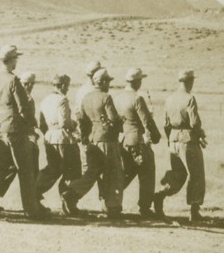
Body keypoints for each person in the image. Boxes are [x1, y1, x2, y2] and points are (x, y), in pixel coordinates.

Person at [0, 45, 47, 219]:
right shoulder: (13, 81)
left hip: (2, 129)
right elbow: (24, 109)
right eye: (15, 59)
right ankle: (31, 209)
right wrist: (32, 125)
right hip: (16, 130)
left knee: (2, 168)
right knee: (25, 171)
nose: (16, 61)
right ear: (11, 60)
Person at [155, 69, 205, 222]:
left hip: (173, 140)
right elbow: (194, 123)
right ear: (190, 81)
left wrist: (171, 138)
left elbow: (166, 124)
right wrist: (200, 135)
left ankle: (160, 196)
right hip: (188, 140)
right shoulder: (190, 98)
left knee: (178, 175)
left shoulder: (169, 99)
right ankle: (194, 211)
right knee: (196, 175)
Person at [75, 68, 124, 218]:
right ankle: (112, 207)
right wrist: (120, 121)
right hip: (107, 139)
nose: (109, 84)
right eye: (107, 81)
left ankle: (72, 193)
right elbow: (114, 119)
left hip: (92, 139)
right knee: (114, 174)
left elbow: (81, 119)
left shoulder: (87, 97)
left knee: (94, 173)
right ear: (102, 82)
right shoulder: (106, 97)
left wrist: (85, 137)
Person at [117, 67, 162, 218]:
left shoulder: (118, 97)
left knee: (126, 173)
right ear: (137, 82)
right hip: (138, 141)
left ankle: (111, 201)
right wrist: (155, 137)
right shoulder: (137, 98)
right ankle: (145, 207)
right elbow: (147, 122)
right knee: (147, 173)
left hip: (124, 141)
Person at [36, 74, 82, 215]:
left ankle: (34, 192)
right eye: (67, 86)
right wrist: (75, 123)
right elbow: (65, 123)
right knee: (72, 170)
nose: (67, 89)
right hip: (63, 139)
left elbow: (41, 123)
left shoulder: (45, 100)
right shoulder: (62, 99)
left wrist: (49, 133)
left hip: (50, 137)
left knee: (53, 170)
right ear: (62, 85)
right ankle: (68, 203)